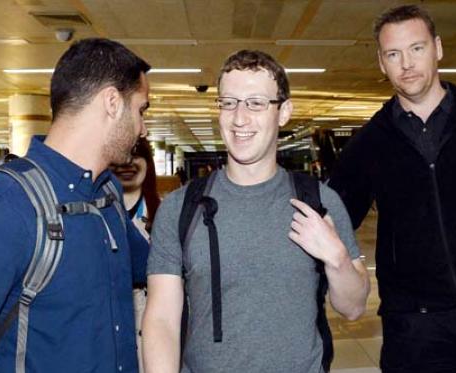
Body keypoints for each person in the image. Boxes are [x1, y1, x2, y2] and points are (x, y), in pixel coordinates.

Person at [0, 38, 151, 372]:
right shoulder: (3, 208)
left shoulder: (107, 194)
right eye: (141, 109)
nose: (142, 129)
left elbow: (152, 265)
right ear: (112, 102)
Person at [328, 5, 456, 372]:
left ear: (437, 48)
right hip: (413, 329)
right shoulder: (370, 143)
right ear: (381, 62)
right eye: (393, 54)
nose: (406, 63)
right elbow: (335, 222)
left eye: (417, 48)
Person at [142, 50, 369, 373]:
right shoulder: (182, 208)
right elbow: (162, 318)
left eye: (255, 103)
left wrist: (337, 258)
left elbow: (354, 308)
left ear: (283, 112)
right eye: (229, 102)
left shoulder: (318, 202)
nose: (239, 118)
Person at [111, 137, 161, 373]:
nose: (126, 163)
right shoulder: (93, 215)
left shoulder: (168, 214)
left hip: (153, 325)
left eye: (135, 155)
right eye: (120, 157)